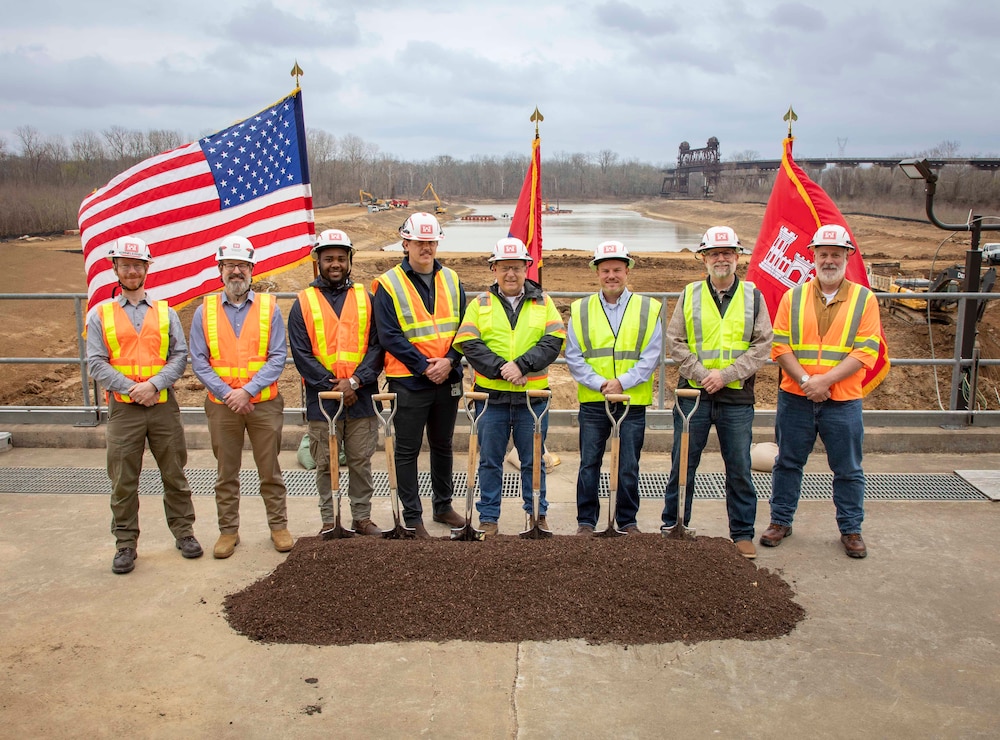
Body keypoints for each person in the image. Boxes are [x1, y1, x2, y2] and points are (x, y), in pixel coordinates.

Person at [764, 224, 884, 559]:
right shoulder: (793, 296)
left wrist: (824, 382)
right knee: (787, 462)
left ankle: (851, 529)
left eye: (835, 254)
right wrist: (806, 381)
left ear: (847, 256)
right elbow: (780, 345)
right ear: (813, 257)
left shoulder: (865, 300)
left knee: (848, 468)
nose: (828, 260)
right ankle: (780, 521)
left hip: (842, 400)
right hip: (796, 397)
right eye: (823, 254)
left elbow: (866, 351)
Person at [86, 236, 201, 574]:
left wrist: (153, 385)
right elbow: (96, 361)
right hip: (125, 409)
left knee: (175, 474)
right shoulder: (101, 315)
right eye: (126, 265)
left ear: (147, 268)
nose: (132, 271)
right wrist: (132, 389)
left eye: (138, 265)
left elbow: (179, 356)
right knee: (123, 479)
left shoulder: (165, 313)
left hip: (162, 405)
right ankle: (125, 544)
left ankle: (184, 533)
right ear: (115, 269)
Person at [660, 226, 773, 559]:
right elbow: (675, 340)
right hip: (693, 396)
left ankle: (741, 533)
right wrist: (701, 374)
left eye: (727, 253)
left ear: (737, 257)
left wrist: (725, 375)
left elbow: (762, 344)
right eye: (713, 254)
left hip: (736, 396)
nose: (720, 259)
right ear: (704, 258)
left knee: (738, 466)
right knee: (683, 463)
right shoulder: (691, 293)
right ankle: (674, 525)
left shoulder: (753, 296)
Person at [188, 236, 293, 559]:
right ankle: (228, 531)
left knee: (270, 470)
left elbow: (277, 357)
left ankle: (278, 526)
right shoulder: (203, 311)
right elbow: (199, 360)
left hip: (262, 404)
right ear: (220, 269)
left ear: (252, 270)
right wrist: (229, 394)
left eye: (243, 265)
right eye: (230, 265)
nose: (237, 271)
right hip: (223, 407)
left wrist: (246, 391)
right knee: (226, 472)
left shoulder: (268, 308)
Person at [452, 237, 566, 536]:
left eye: (516, 268)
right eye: (504, 268)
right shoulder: (480, 304)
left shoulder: (543, 301)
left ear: (527, 268)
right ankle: (489, 519)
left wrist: (523, 365)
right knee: (490, 461)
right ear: (494, 269)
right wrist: (504, 369)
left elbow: (554, 340)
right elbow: (468, 343)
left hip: (533, 398)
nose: (511, 274)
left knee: (533, 462)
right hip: (492, 398)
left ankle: (537, 515)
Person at [372, 212, 467, 538]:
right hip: (409, 380)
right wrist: (425, 365)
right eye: (419, 242)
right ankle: (413, 516)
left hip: (447, 377)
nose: (426, 248)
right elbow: (389, 334)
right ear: (405, 243)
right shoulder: (388, 284)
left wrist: (451, 360)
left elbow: (465, 329)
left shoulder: (452, 280)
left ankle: (443, 506)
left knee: (443, 445)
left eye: (431, 242)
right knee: (407, 450)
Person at [287, 228, 384, 536]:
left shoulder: (366, 299)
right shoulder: (303, 302)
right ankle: (331, 521)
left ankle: (361, 518)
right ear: (319, 261)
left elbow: (377, 346)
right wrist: (335, 388)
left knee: (360, 462)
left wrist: (355, 382)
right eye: (328, 258)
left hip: (361, 397)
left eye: (341, 258)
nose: (335, 264)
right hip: (322, 401)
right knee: (325, 464)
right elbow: (302, 354)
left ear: (349, 261)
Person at [566, 240, 663, 535]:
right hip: (594, 401)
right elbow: (574, 356)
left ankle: (627, 520)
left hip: (632, 400)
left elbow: (652, 354)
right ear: (597, 272)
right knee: (589, 464)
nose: (612, 275)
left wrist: (623, 382)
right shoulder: (581, 309)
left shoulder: (647, 308)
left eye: (617, 270)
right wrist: (600, 384)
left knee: (628, 465)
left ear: (627, 271)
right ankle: (586, 521)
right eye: (606, 269)